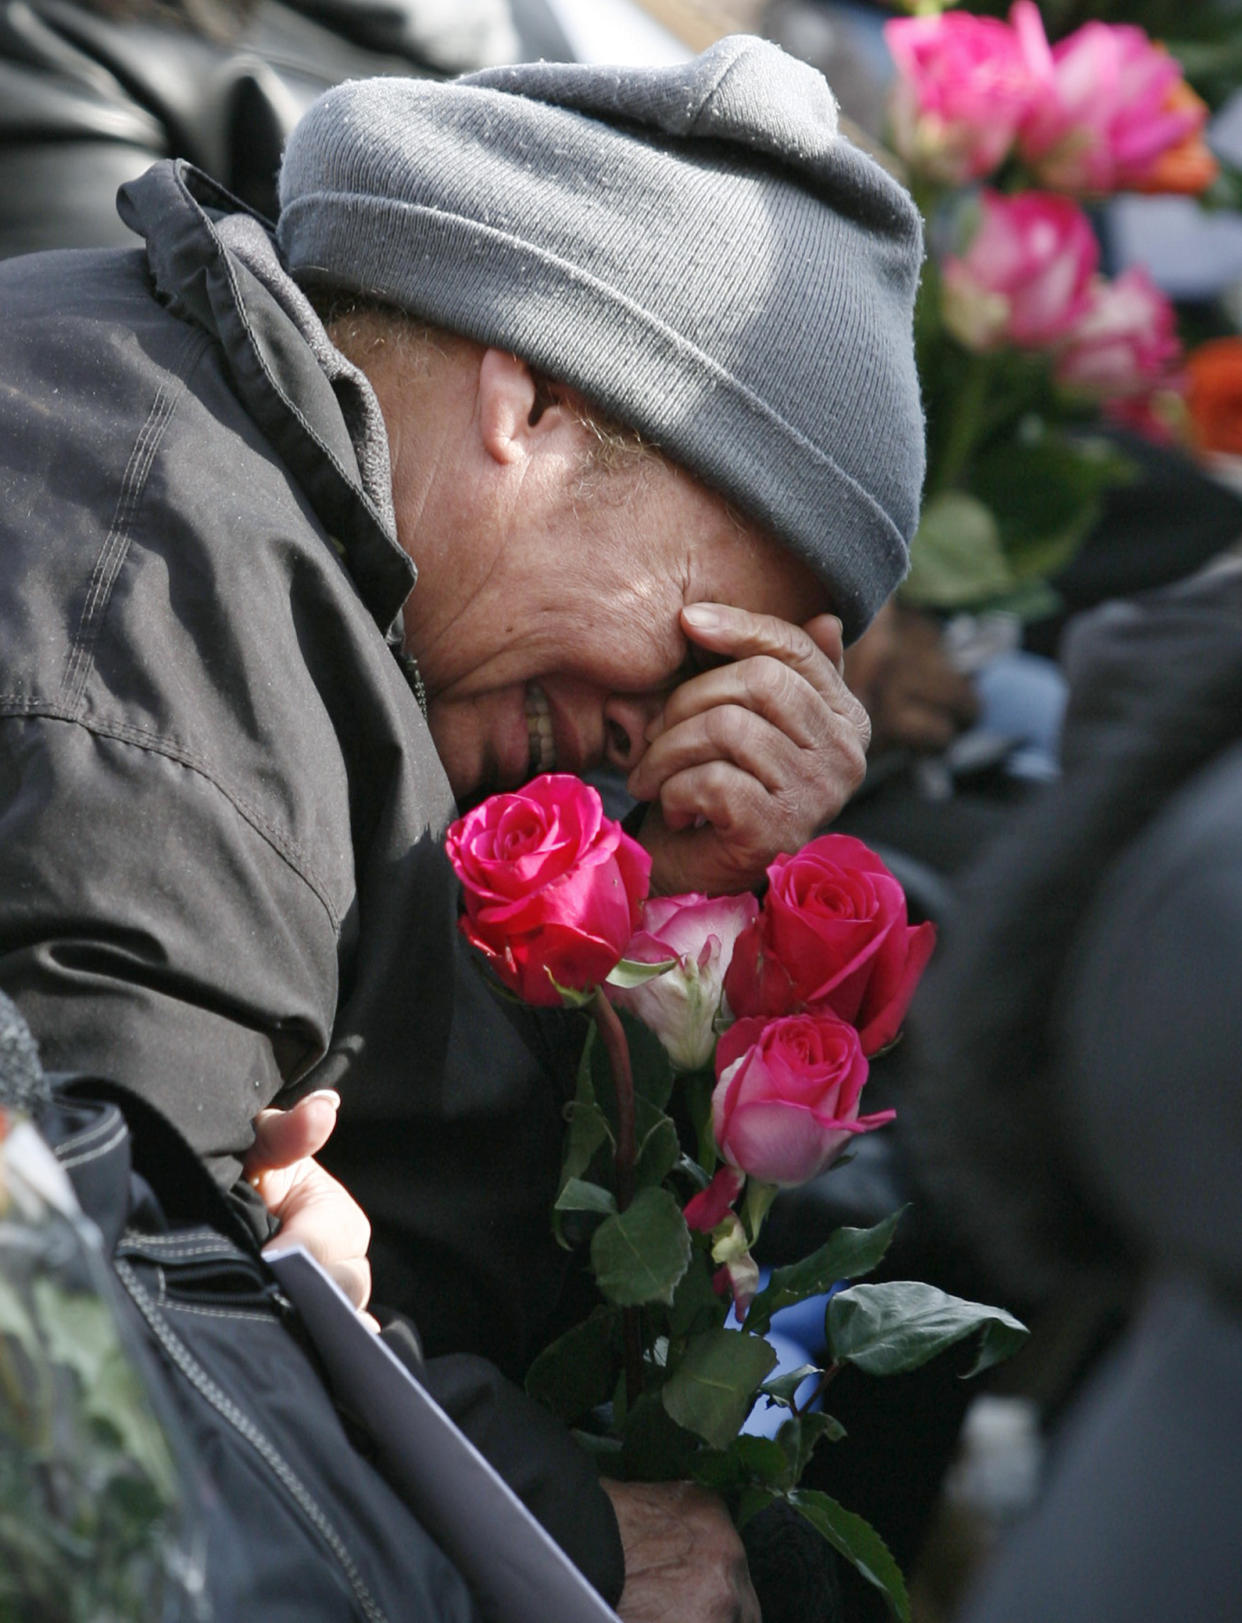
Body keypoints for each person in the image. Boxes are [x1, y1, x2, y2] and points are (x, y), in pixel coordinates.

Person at [0, 33, 925, 1619]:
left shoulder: (247, 508)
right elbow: (95, 1420)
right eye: (707, 634)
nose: (672, 725)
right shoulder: (172, 628)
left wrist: (672, 923)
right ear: (539, 402)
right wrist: (569, 1537)